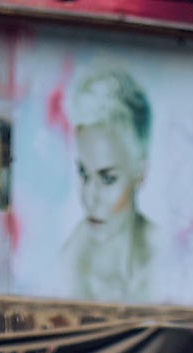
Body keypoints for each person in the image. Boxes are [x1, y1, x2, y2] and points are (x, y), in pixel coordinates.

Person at [62, 69, 157, 303]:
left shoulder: (169, 259)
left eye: (107, 178)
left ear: (140, 173)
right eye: (83, 174)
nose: (89, 197)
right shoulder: (66, 266)